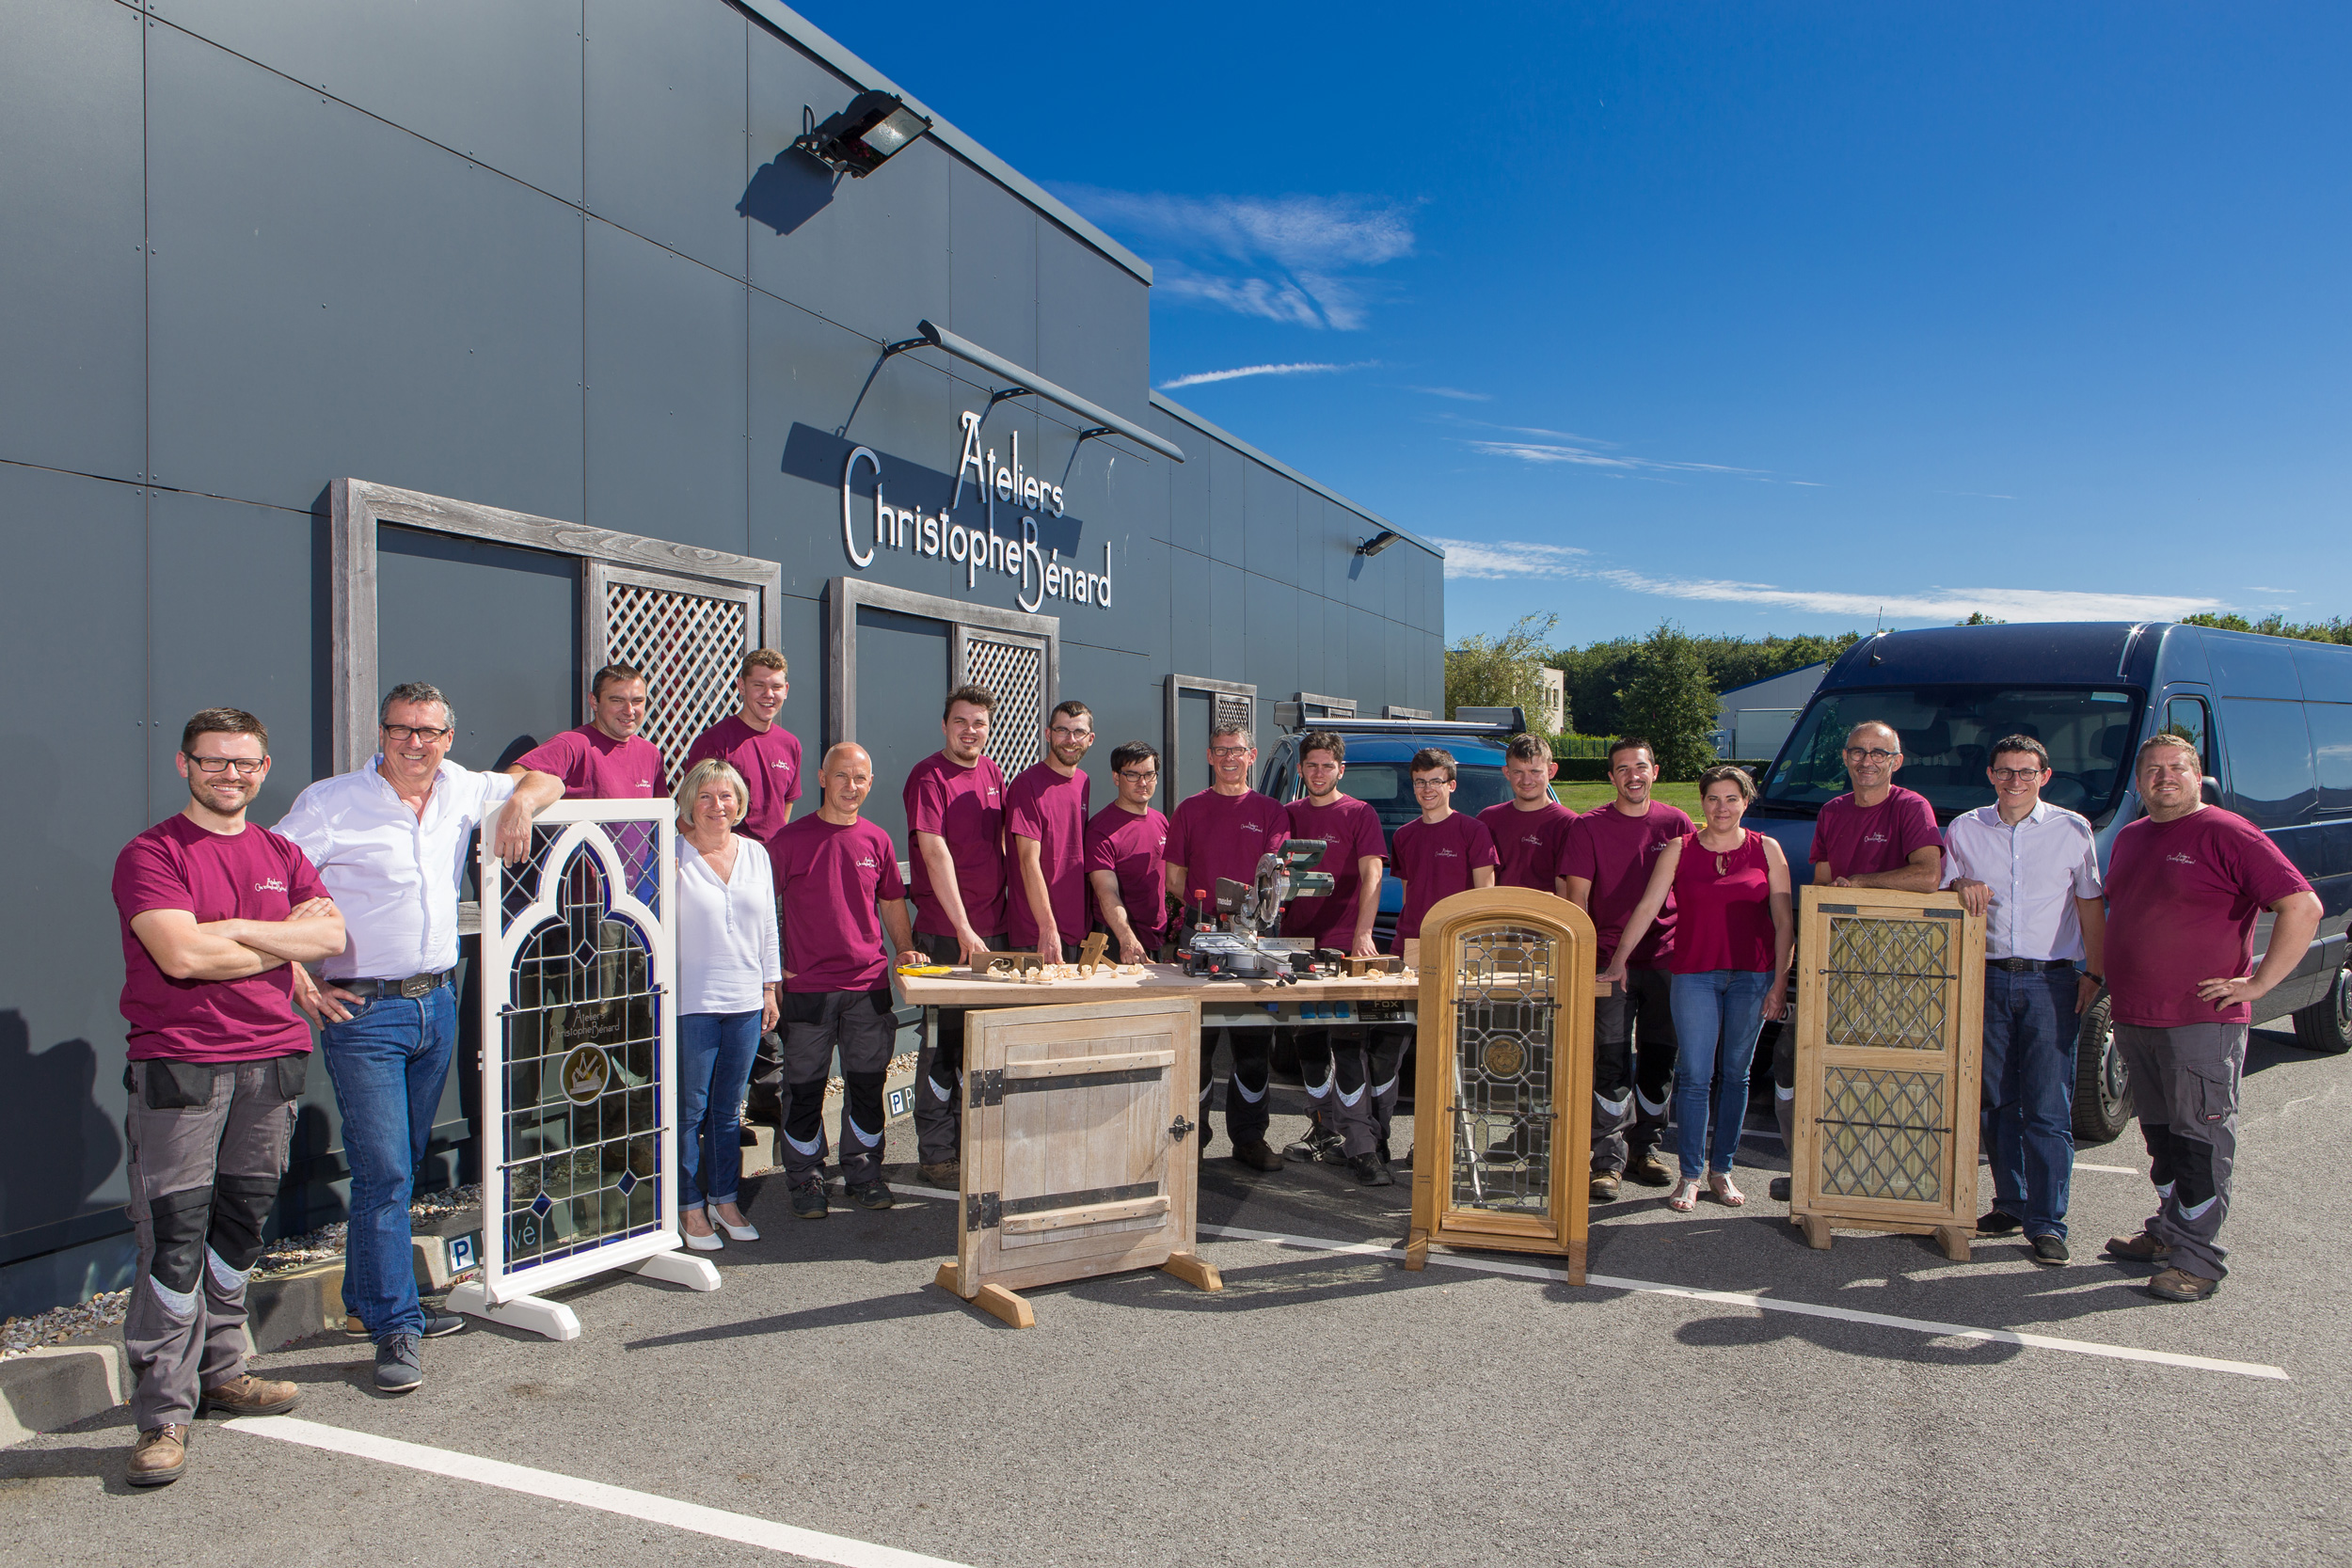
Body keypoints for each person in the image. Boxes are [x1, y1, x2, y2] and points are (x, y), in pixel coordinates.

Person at [277, 683, 562, 1394]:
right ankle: (396, 1325)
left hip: (435, 1002)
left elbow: (550, 775)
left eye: (430, 731)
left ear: (448, 738)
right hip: (364, 1012)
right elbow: (264, 876)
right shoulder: (331, 802)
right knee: (387, 1171)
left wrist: (520, 802)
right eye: (403, 729)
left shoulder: (462, 788)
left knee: (398, 1161)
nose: (416, 743)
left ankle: (374, 1301)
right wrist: (294, 969)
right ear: (382, 733)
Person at [110, 709, 346, 1485]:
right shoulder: (152, 853)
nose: (230, 774)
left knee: (239, 1227)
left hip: (272, 1061)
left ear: (265, 766)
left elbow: (330, 938)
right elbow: (180, 955)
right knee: (174, 1236)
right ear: (186, 765)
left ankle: (223, 1370)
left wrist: (235, 932)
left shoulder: (283, 850)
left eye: (244, 762)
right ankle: (163, 1414)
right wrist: (278, 931)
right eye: (214, 761)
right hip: (181, 1065)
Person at [2101, 732, 2319, 1302]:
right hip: (2137, 1016)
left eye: (2177, 767)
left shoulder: (2227, 831)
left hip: (2201, 1020)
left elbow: (2302, 905)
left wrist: (2261, 982)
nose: (2164, 777)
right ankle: (2169, 1233)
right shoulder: (2131, 836)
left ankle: (2198, 1261)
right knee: (2163, 1139)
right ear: (2139, 779)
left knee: (2200, 1141)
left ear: (2199, 777)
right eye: (2153, 768)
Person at [1942, 735, 2107, 1265]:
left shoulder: (2072, 829)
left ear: (2045, 776)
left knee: (2047, 1106)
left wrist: (2095, 973)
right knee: (1994, 1101)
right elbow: (1943, 891)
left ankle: (2047, 1221)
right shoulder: (1965, 828)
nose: (2016, 780)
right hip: (1985, 978)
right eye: (2006, 771)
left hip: (2051, 981)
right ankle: (2009, 1203)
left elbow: (2089, 903)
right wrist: (1960, 883)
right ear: (1990, 774)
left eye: (2027, 771)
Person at [1766, 721, 1944, 1196]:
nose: (1867, 761)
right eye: (1858, 752)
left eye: (1878, 753)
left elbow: (1928, 876)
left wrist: (1862, 884)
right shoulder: (1832, 811)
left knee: (1879, 1069)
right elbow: (1823, 882)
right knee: (1797, 1060)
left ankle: (1878, 1173)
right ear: (1844, 757)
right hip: (1836, 958)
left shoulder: (1911, 807)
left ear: (1896, 762)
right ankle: (1805, 1165)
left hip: (1897, 964)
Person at [1605, 765, 1793, 1212]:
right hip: (1693, 974)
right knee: (1694, 1076)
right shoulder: (1679, 848)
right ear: (1702, 803)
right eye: (1713, 799)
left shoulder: (1768, 850)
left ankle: (1721, 1170)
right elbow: (1648, 906)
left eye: (1731, 799)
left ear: (1746, 802)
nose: (1722, 807)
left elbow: (1785, 923)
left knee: (1736, 1075)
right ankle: (1689, 1174)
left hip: (1753, 976)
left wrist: (1780, 984)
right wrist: (1618, 960)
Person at [771, 743, 916, 1220]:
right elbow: (758, 908)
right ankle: (807, 1178)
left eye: (860, 779)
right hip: (808, 989)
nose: (850, 787)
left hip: (868, 986)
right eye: (841, 776)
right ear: (821, 777)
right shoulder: (790, 840)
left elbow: (892, 901)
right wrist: (773, 966)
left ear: (870, 784)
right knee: (806, 1088)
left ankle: (863, 1172)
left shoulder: (877, 840)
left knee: (867, 1085)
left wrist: (904, 950)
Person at [1562, 737, 1694, 1199]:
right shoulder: (1588, 827)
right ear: (1611, 777)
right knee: (1611, 1059)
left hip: (1667, 959)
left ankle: (1647, 1150)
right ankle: (1607, 1159)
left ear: (1654, 771)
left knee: (1660, 1057)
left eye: (1640, 767)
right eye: (1622, 769)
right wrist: (1586, 957)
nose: (1632, 776)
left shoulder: (1677, 823)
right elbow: (1576, 899)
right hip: (1608, 963)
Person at [683, 650, 803, 1132]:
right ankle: (722, 1108)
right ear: (742, 688)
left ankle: (768, 1099)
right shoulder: (718, 740)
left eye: (776, 686)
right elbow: (695, 805)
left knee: (768, 982)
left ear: (786, 690)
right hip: (718, 881)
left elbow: (787, 808)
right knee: (730, 988)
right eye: (759, 685)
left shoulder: (790, 744)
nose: (767, 695)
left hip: (764, 881)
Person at [1166, 720, 1292, 1168]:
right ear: (1209, 757)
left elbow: (1275, 875)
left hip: (1257, 940)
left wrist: (1246, 918)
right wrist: (1212, 914)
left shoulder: (1272, 813)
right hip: (1201, 936)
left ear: (1251, 756)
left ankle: (1249, 1138)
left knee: (1253, 1048)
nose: (1228, 758)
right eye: (1220, 751)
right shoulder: (1189, 809)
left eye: (1237, 750)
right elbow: (1175, 877)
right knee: (1197, 1046)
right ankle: (1192, 1139)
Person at [671, 758, 781, 1252]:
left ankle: (725, 1199)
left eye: (728, 796)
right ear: (689, 803)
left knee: (727, 1110)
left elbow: (768, 928)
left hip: (743, 1001)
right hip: (690, 1002)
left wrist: (769, 989)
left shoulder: (756, 854)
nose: (718, 806)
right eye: (707, 796)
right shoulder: (670, 855)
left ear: (740, 803)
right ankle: (688, 1207)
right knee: (688, 1110)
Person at [903, 685, 1009, 1185]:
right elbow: (934, 852)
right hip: (949, 933)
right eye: (961, 722)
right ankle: (937, 1152)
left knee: (982, 1045)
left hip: (993, 930)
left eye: (979, 723)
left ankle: (976, 1144)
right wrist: (964, 927)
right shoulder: (928, 777)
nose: (971, 731)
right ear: (944, 726)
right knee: (941, 1044)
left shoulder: (992, 773)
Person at [1276, 731, 1390, 1180]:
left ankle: (1361, 1145)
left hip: (1344, 943)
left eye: (1328, 765)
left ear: (1341, 770)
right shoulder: (1288, 814)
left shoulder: (1360, 814)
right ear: (1300, 770)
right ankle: (1323, 1127)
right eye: (1312, 765)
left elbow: (1372, 874)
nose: (1319, 773)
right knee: (1308, 1041)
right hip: (1294, 945)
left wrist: (1363, 934)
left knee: (1347, 1041)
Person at [1386, 749, 1501, 1174]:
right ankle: (1413, 1137)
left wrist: (1470, 953)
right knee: (1413, 1050)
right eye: (1419, 781)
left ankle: (1448, 1140)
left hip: (1459, 952)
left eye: (1435, 781)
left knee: (1456, 1051)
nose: (1427, 789)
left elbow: (1484, 900)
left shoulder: (1473, 832)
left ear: (1452, 785)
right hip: (1410, 950)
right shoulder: (1405, 836)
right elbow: (1413, 891)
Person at [1008, 701, 1096, 963]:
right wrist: (1047, 927)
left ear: (1090, 739)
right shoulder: (1026, 785)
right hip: (1036, 934)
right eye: (1062, 730)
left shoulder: (1083, 781)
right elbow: (1027, 861)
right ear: (1048, 734)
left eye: (1078, 732)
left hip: (1077, 931)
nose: (1070, 740)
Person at [1088, 741, 1170, 963]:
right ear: (1116, 778)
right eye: (1133, 775)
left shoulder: (1161, 821)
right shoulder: (1101, 829)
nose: (1143, 783)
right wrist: (1127, 939)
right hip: (1116, 943)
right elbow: (1106, 891)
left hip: (1155, 940)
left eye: (1149, 775)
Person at [1478, 734, 1575, 895]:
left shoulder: (1568, 824)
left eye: (1535, 771)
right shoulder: (1487, 820)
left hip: (1542, 917)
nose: (1527, 780)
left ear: (1551, 771)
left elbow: (1566, 893)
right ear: (1507, 773)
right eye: (1518, 772)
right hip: (1495, 916)